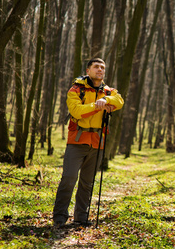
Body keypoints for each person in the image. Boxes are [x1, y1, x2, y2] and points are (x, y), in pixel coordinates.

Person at [53, 58, 124, 228]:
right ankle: (59, 217)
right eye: (96, 67)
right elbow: (77, 111)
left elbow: (120, 101)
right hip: (77, 141)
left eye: (103, 67)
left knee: (87, 182)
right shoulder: (76, 89)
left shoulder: (109, 91)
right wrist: (97, 105)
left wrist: (106, 100)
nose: (100, 70)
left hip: (98, 142)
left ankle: (81, 217)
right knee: (69, 178)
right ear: (88, 70)